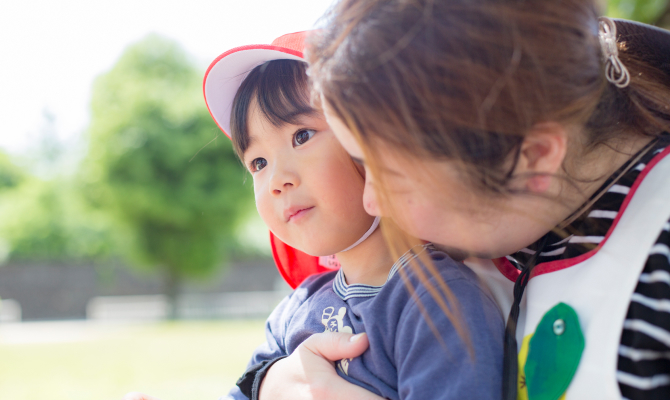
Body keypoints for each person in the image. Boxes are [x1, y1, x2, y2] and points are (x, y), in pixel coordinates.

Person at [297, 1, 670, 400]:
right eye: (359, 162)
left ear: (535, 156)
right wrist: (271, 381)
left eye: (392, 177)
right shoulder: (490, 236)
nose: (371, 202)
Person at [124, 32, 505, 400]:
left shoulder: (439, 303)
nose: (276, 179)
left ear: (377, 143)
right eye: (258, 162)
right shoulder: (297, 308)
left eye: (301, 136)